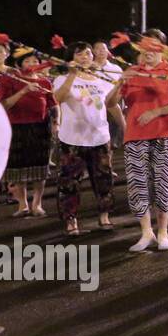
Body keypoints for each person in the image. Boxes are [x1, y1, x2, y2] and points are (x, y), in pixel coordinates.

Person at [107, 29, 168, 252]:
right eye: (144, 47)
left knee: (164, 184)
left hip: (166, 134)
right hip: (136, 136)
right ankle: (145, 232)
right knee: (138, 185)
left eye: (154, 47)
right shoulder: (132, 72)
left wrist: (157, 112)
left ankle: (163, 232)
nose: (148, 51)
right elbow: (110, 103)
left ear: (162, 48)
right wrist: (120, 82)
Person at [53, 41, 121, 236]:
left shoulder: (101, 79)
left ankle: (104, 215)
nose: (85, 57)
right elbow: (57, 98)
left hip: (99, 137)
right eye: (80, 54)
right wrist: (72, 76)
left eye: (88, 53)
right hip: (72, 139)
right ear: (71, 58)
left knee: (103, 179)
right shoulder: (63, 78)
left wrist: (120, 85)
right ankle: (71, 219)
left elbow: (111, 103)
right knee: (70, 182)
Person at [0, 36, 53, 217]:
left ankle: (37, 203)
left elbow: (53, 103)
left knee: (39, 167)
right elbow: (3, 104)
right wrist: (23, 91)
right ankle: (22, 204)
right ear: (20, 63)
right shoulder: (10, 78)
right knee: (17, 168)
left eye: (34, 61)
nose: (31, 64)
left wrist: (57, 121)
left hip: (39, 127)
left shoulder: (42, 81)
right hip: (15, 127)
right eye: (27, 61)